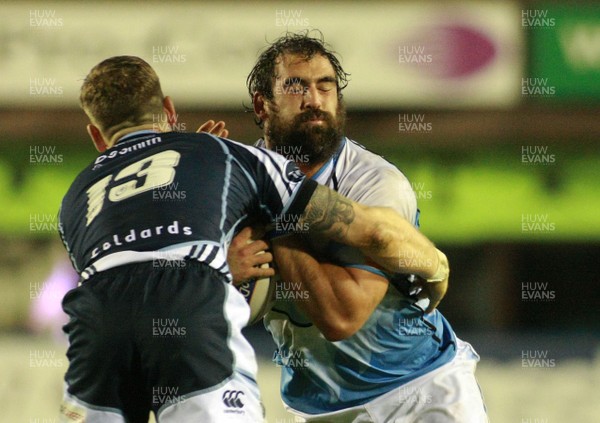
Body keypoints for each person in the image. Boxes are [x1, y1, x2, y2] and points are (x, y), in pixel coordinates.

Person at [57, 55, 448, 422]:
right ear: (171, 111)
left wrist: (219, 260)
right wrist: (435, 265)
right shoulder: (230, 156)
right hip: (192, 316)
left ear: (96, 135)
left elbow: (132, 281)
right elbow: (374, 231)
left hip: (93, 330)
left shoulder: (72, 199)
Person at [226, 32, 488, 422]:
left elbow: (341, 318)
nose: (314, 100)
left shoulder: (375, 183)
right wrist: (218, 266)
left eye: (325, 87)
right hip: (316, 407)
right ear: (262, 105)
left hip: (418, 393)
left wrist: (270, 215)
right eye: (297, 87)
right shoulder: (233, 182)